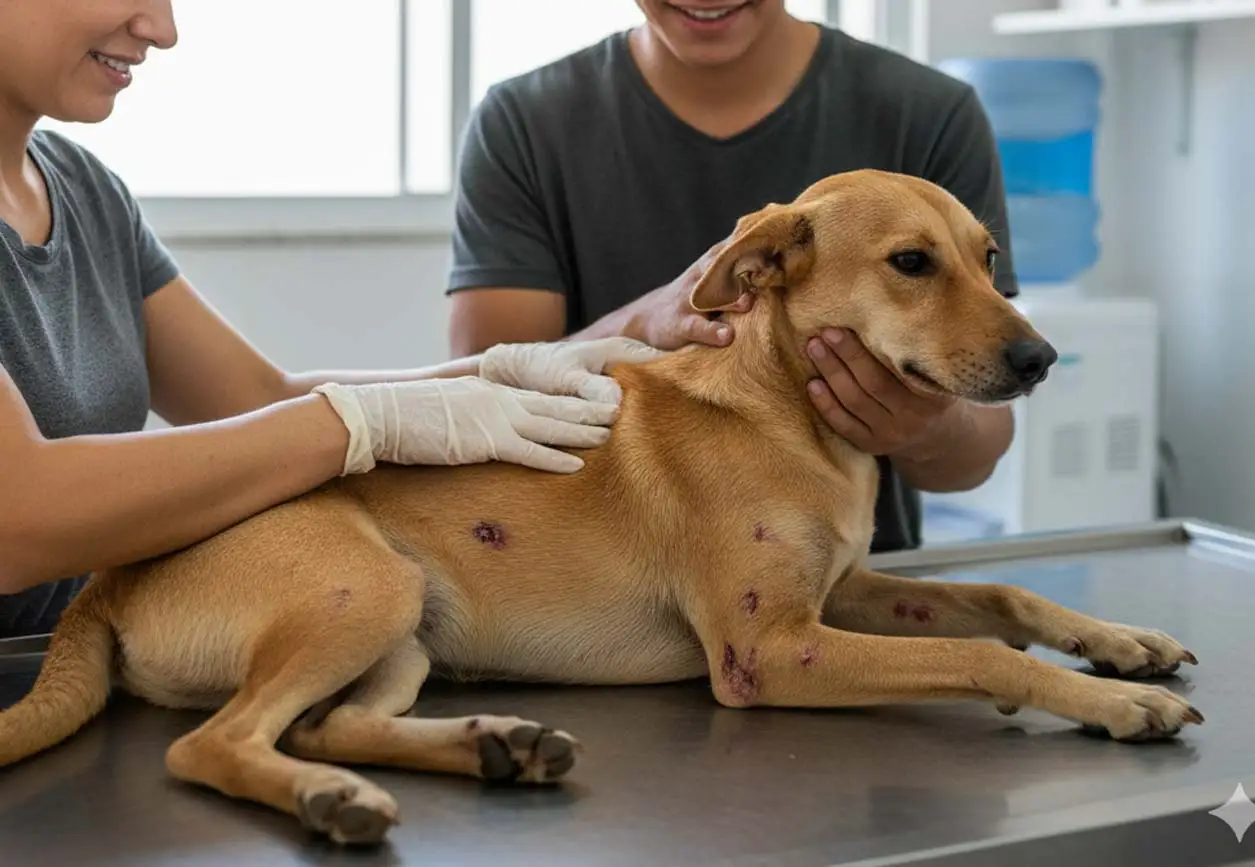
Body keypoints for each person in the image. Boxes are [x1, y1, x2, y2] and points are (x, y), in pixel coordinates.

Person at [0, 0, 663, 639]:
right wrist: (361, 422)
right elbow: (17, 518)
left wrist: (512, 373)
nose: (163, 29)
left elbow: (254, 401)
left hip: (67, 671)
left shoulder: (87, 193)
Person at [446, 0, 1021, 552]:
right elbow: (481, 404)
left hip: (849, 593)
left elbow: (977, 453)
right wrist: (641, 323)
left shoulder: (928, 113)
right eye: (912, 261)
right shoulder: (523, 123)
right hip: (589, 592)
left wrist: (927, 431)